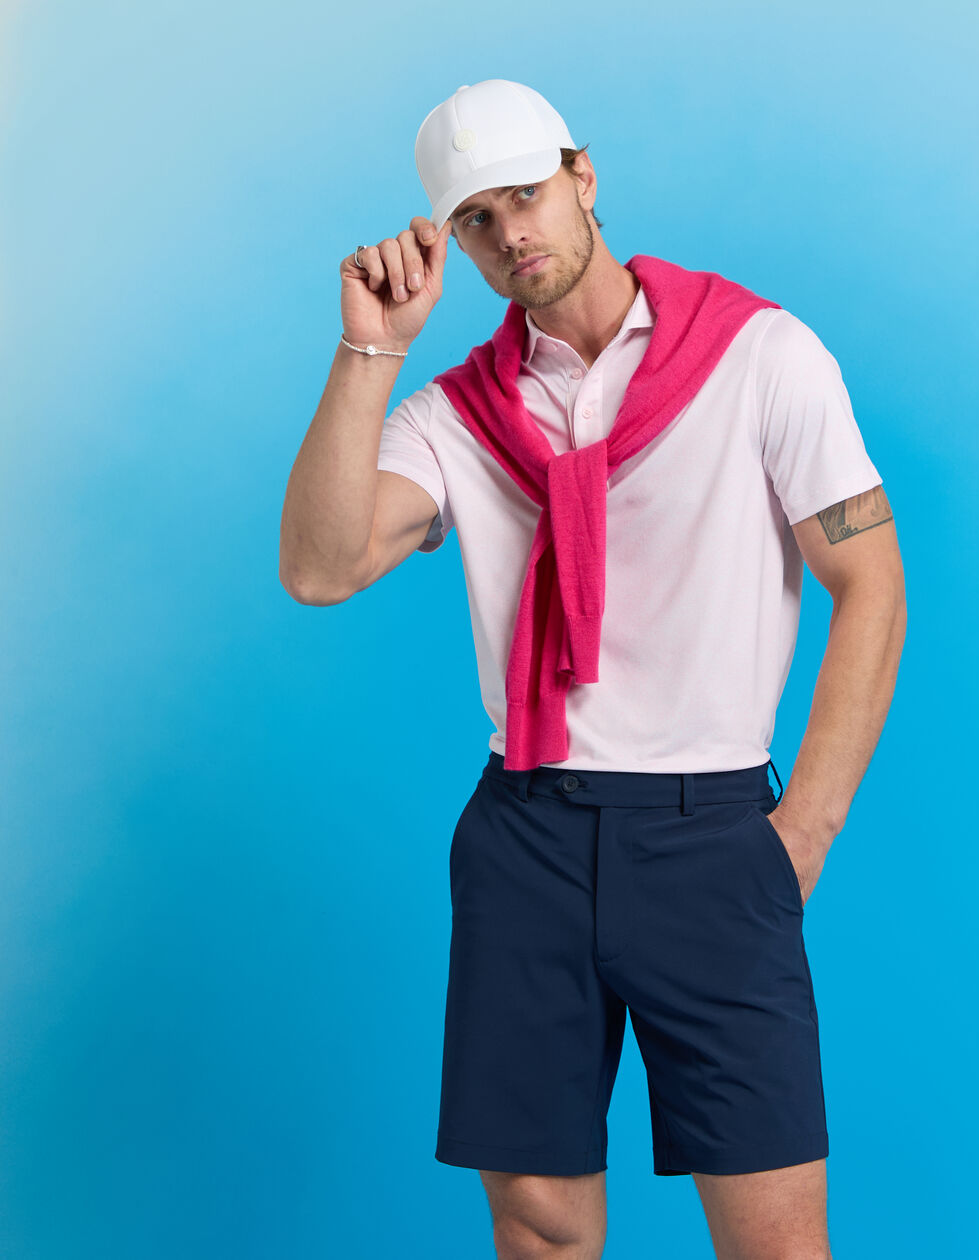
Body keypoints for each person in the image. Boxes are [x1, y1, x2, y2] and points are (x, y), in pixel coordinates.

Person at [279, 78, 906, 1260]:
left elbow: (870, 579)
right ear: (455, 242)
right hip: (527, 837)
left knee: (776, 1237)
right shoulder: (456, 416)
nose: (510, 233)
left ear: (583, 177)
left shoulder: (758, 355)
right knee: (540, 1228)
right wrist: (370, 351)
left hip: (713, 835)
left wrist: (805, 832)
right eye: (476, 219)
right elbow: (318, 568)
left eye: (525, 195)